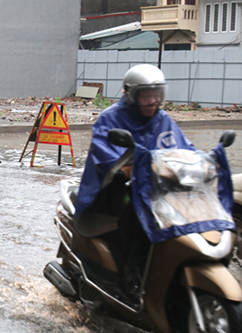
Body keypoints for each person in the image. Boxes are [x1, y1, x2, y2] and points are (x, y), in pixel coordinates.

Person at [74, 64, 195, 293]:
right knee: (138, 217)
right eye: (146, 95)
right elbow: (106, 157)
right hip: (113, 192)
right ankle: (132, 274)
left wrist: (206, 164)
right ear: (131, 94)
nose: (152, 101)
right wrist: (127, 168)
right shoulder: (110, 119)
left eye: (157, 95)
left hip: (155, 190)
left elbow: (186, 149)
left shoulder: (164, 120)